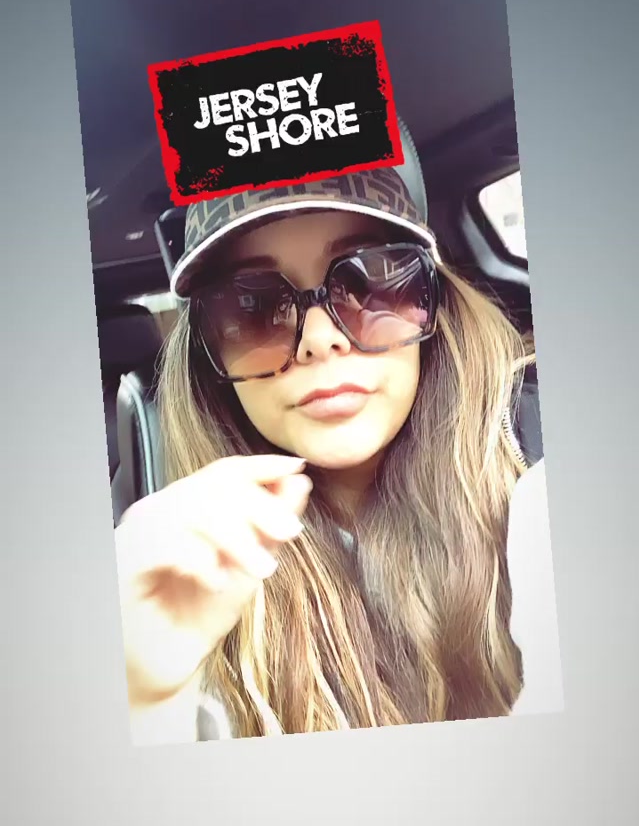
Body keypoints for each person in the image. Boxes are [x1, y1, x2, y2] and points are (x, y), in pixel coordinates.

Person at [115, 167, 551, 745]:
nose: (320, 339)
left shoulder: (542, 469)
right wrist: (144, 699)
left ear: (431, 300)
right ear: (211, 358)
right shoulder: (185, 584)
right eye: (253, 307)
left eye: (372, 283)